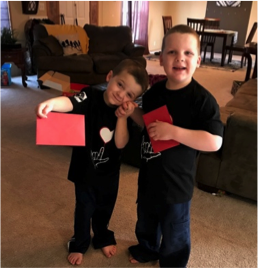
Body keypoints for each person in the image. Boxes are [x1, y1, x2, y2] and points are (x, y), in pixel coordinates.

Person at [126, 24, 224, 268]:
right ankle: (147, 249)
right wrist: (133, 112)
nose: (180, 57)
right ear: (160, 58)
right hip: (149, 176)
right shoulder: (153, 93)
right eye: (172, 52)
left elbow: (214, 141)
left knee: (174, 231)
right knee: (146, 221)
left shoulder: (202, 101)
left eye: (188, 53)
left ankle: (172, 263)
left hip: (177, 185)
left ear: (198, 60)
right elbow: (148, 123)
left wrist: (174, 132)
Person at [35, 59, 149, 266]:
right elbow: (70, 102)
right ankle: (79, 243)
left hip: (110, 172)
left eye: (129, 95)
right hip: (85, 169)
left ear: (134, 100)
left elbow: (121, 143)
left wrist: (122, 117)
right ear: (110, 76)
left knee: (105, 208)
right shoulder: (90, 95)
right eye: (120, 84)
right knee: (84, 208)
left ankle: (103, 236)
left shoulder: (126, 113)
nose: (121, 94)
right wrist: (51, 103)